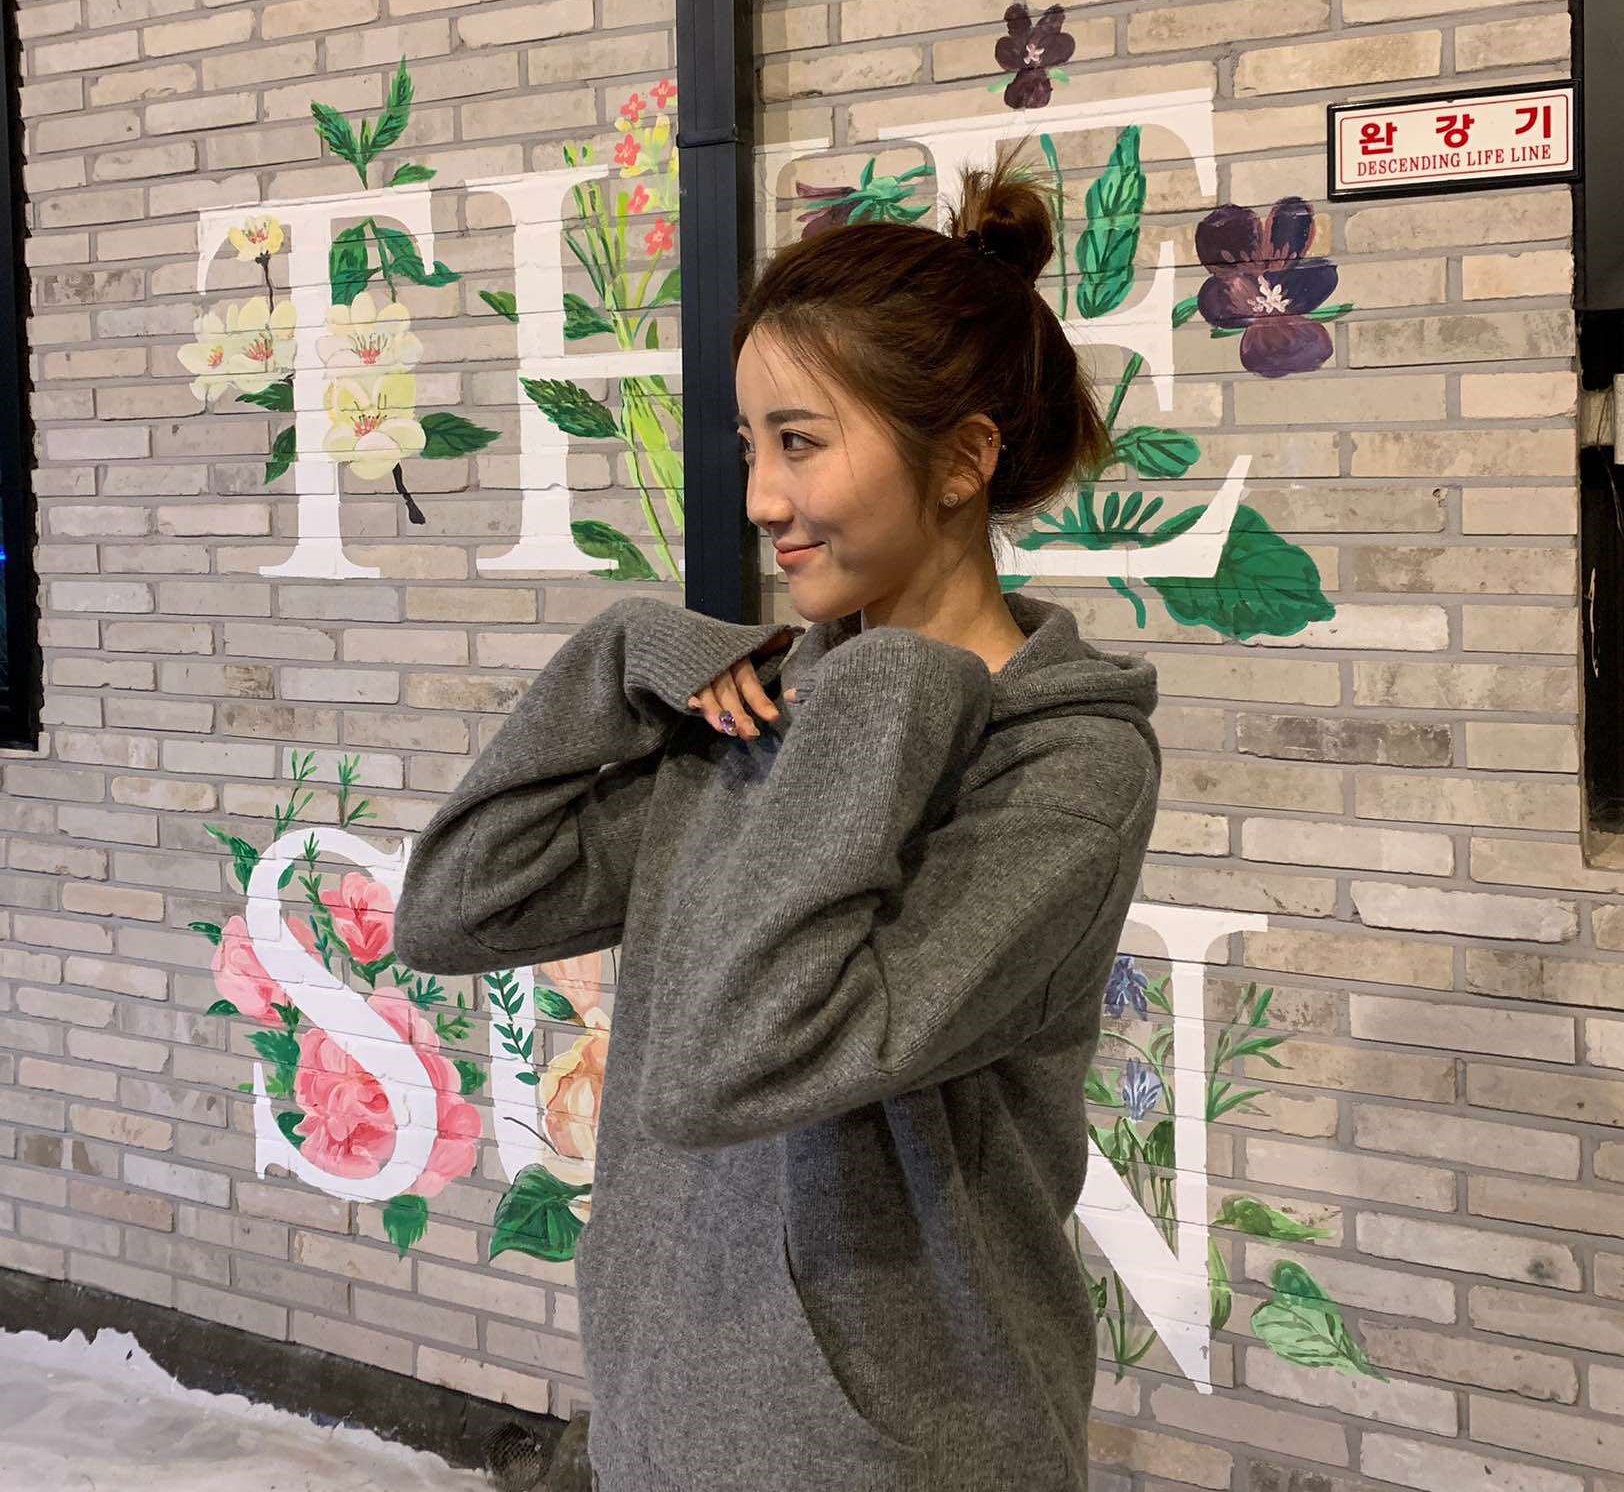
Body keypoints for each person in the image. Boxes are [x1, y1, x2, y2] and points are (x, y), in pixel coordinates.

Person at [393, 132, 1161, 1492]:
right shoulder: (768, 714)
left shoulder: (1064, 770)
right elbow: (458, 907)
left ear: (962, 459)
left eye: (801, 442)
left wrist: (887, 677)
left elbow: (733, 1067)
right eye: (750, 444)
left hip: (900, 1450)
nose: (760, 499)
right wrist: (616, 658)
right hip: (666, 1409)